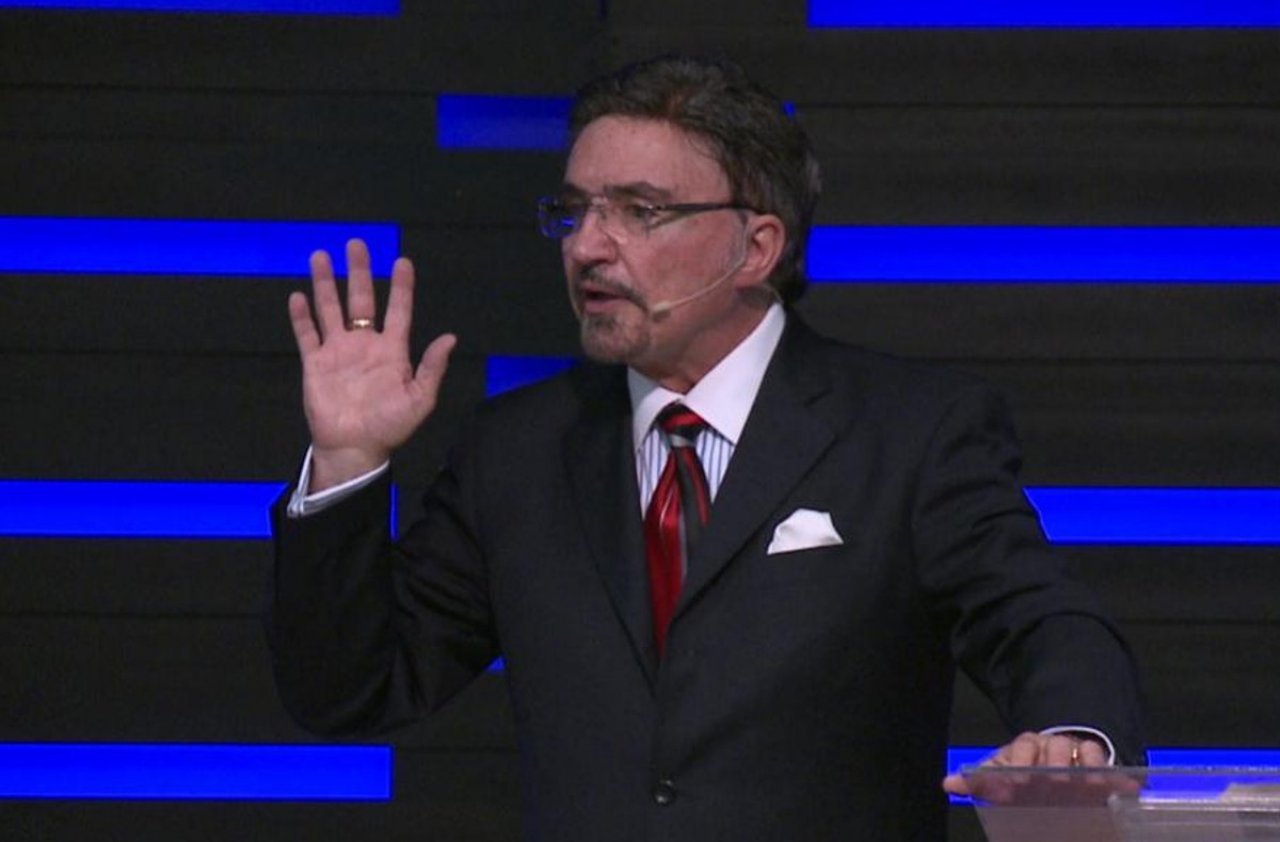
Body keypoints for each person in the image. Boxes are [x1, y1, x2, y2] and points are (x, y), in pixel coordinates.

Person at [267, 55, 1144, 840]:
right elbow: (350, 690)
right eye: (575, 211)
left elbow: (1037, 619)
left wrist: (1072, 739)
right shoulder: (518, 451)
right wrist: (347, 462)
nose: (587, 247)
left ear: (756, 248)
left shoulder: (910, 431)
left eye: (640, 211)